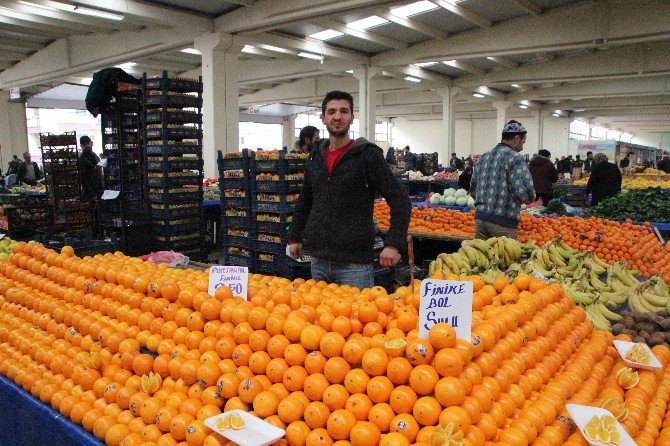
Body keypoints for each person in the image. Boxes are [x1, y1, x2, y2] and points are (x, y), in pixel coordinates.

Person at [287, 90, 411, 289]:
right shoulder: (315, 157)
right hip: (318, 260)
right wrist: (294, 236)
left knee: (357, 318)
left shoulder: (367, 155)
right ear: (323, 118)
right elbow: (305, 200)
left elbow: (400, 199)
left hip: (354, 265)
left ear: (352, 117)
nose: (337, 116)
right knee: (320, 319)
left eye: (344, 111)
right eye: (332, 111)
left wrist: (393, 244)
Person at [470, 120, 535, 240]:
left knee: (482, 257)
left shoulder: (484, 157)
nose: (521, 147)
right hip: (503, 222)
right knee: (504, 257)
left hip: (481, 219)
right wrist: (527, 199)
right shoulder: (515, 158)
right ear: (516, 138)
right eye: (523, 142)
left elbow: (473, 188)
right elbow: (525, 192)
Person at [77, 135, 104, 201]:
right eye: (85, 144)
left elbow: (99, 169)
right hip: (92, 191)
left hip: (99, 188)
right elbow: (84, 179)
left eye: (88, 143)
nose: (87, 146)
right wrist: (91, 194)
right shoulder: (82, 159)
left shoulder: (94, 155)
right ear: (81, 146)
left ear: (91, 143)